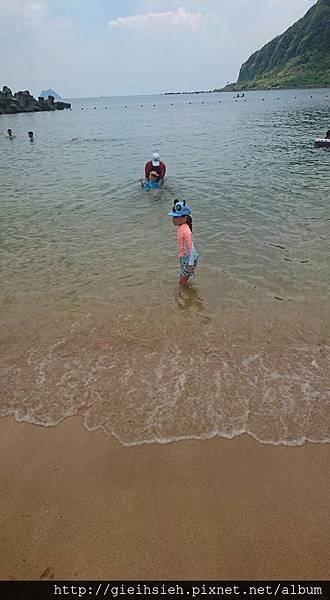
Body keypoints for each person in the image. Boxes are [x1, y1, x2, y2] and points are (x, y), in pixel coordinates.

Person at [168, 199, 199, 285]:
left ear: (185, 217)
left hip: (189, 259)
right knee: (183, 280)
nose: (173, 219)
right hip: (186, 258)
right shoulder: (181, 227)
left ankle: (187, 296)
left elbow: (191, 248)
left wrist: (190, 264)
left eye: (176, 217)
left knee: (182, 282)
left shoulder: (185, 230)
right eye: (173, 216)